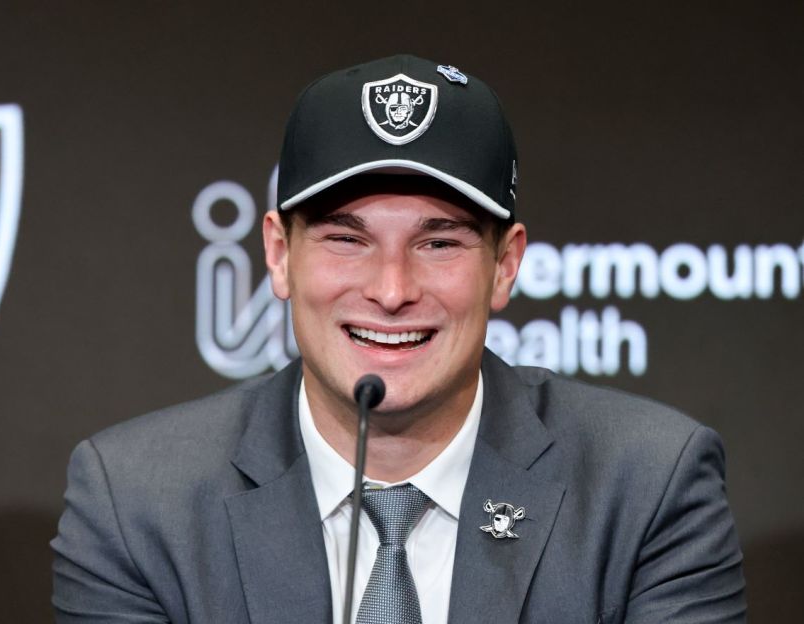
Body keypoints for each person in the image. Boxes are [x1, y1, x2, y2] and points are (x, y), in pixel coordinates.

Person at [52, 54, 746, 623]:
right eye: (346, 239)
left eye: (439, 241)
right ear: (278, 254)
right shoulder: (136, 503)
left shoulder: (649, 485)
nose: (391, 289)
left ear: (504, 266)